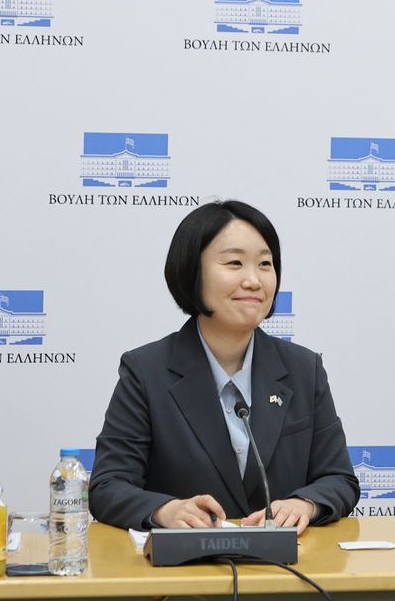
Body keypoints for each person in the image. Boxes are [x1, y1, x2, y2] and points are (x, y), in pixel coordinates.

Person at [89, 200, 359, 531]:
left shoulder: (304, 369)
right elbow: (108, 486)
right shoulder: (146, 372)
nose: (254, 280)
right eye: (234, 263)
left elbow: (339, 479)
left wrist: (305, 503)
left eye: (265, 264)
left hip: (287, 560)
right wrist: (166, 510)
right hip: (187, 561)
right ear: (192, 272)